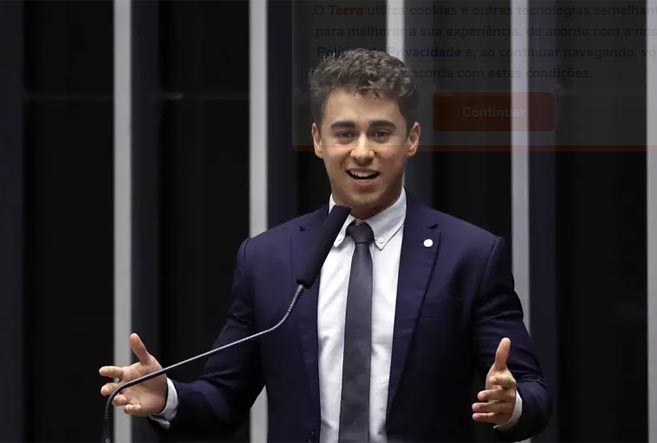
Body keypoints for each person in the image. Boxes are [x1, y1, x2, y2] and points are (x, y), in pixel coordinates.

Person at [100, 48, 550, 442]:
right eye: (345, 133)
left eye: (380, 133)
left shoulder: (470, 256)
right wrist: (168, 397)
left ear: (411, 140)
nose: (362, 151)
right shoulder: (268, 259)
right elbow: (223, 398)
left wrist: (510, 405)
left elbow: (532, 392)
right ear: (318, 140)